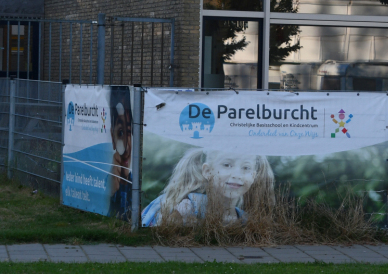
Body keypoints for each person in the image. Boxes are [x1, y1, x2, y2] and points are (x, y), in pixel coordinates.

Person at [141, 149, 274, 227]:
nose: (237, 175)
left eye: (246, 168)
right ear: (207, 171)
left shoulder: (244, 219)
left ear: (254, 176)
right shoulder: (189, 206)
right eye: (227, 165)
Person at [108, 87, 132, 220]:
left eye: (129, 133)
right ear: (113, 137)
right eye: (121, 133)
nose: (127, 147)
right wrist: (111, 194)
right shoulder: (108, 183)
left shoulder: (137, 186)